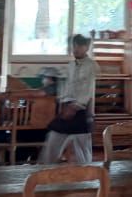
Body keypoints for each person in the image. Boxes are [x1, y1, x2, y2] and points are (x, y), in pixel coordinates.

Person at [38, 34, 97, 164]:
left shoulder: (91, 66)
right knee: (53, 140)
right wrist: (63, 101)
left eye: (79, 46)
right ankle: (43, 171)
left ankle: (89, 175)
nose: (75, 49)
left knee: (83, 148)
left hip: (81, 110)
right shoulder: (71, 65)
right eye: (74, 46)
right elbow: (68, 86)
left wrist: (75, 106)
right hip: (67, 107)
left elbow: (87, 89)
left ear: (86, 48)